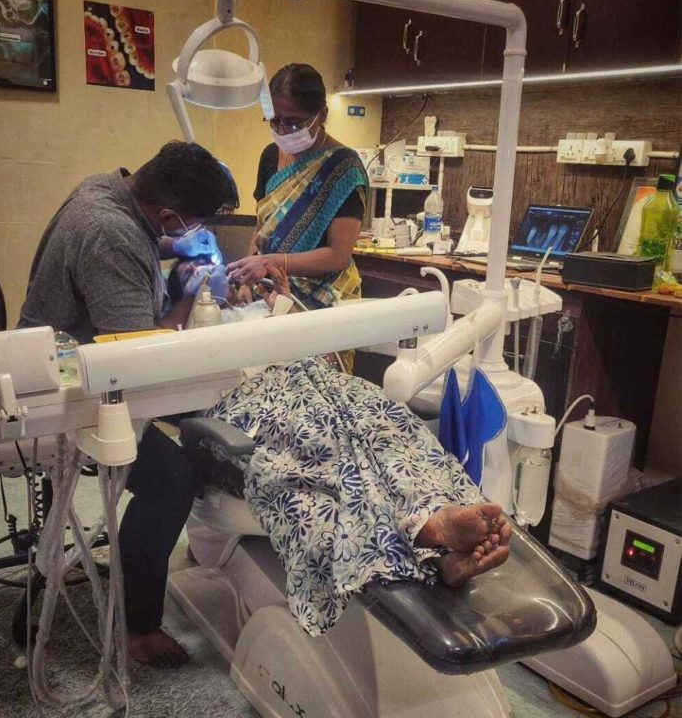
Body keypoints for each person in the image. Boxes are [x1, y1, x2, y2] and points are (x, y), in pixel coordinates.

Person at [186, 265, 512, 638]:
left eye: (244, 280)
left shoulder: (276, 306)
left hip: (330, 384)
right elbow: (189, 378)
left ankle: (437, 527)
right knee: (321, 444)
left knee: (391, 429)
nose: (240, 288)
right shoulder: (203, 325)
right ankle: (427, 536)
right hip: (261, 395)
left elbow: (325, 356)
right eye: (229, 284)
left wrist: (284, 302)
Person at [18, 141, 239, 667]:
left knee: (212, 411)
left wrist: (172, 255)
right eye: (188, 227)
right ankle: (138, 626)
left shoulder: (108, 187)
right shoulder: (110, 234)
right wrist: (190, 295)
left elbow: (132, 276)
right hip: (76, 392)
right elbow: (137, 360)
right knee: (171, 479)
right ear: (166, 214)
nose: (189, 237)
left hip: (89, 362)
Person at [226, 63, 368, 330]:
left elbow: (338, 255)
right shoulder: (270, 156)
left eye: (293, 122)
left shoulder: (343, 169)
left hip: (322, 298)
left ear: (321, 115)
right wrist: (247, 279)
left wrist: (268, 263)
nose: (281, 130)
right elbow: (263, 226)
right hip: (270, 291)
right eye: (274, 121)